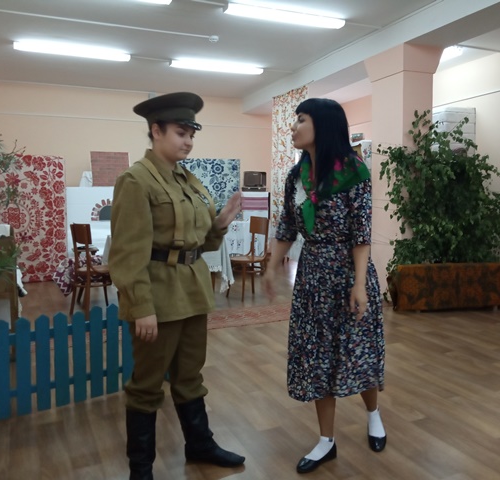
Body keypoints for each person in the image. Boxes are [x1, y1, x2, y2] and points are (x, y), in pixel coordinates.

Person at [109, 92, 245, 480]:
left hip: (192, 290)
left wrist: (220, 224)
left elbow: (199, 243)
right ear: (156, 131)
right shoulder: (136, 180)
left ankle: (200, 445)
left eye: (191, 135)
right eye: (181, 133)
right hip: (157, 295)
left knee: (190, 376)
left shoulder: (188, 179)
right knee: (147, 385)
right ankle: (141, 469)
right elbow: (127, 253)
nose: (188, 142)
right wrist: (141, 307)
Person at [263, 97, 386, 474]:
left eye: (301, 119)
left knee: (358, 349)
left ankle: (373, 414)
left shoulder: (353, 170)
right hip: (313, 276)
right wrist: (271, 267)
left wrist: (360, 285)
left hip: (349, 273)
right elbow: (286, 227)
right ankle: (326, 441)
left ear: (324, 125)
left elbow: (361, 234)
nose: (293, 127)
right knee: (317, 357)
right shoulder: (295, 176)